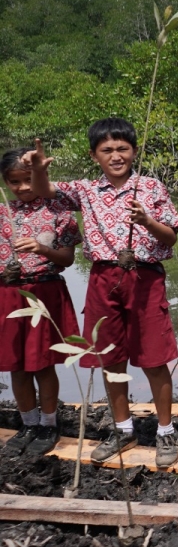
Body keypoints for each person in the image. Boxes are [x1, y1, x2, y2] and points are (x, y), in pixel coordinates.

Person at [24, 119, 178, 467]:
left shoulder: (151, 187)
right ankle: (123, 429)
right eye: (107, 150)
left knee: (154, 358)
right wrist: (37, 170)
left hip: (144, 277)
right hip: (102, 277)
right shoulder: (85, 190)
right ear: (94, 155)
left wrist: (147, 222)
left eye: (122, 149)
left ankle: (166, 431)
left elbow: (171, 237)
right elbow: (44, 191)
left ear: (135, 151)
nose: (116, 156)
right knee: (110, 356)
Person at [0, 148, 82, 457]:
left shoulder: (58, 211)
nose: (22, 188)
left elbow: (69, 259)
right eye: (14, 182)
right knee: (17, 366)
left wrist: (42, 250)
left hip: (45, 292)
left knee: (43, 364)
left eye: (27, 179)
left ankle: (49, 424)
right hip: (8, 295)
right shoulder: (1, 212)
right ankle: (28, 424)